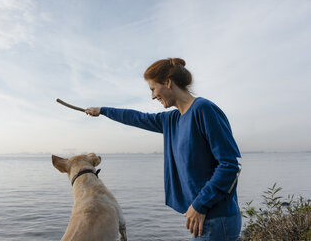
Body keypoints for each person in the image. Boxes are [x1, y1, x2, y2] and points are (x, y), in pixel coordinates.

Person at [85, 58, 242, 240]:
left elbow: (229, 165)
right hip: (205, 219)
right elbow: (137, 117)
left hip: (217, 219)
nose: (152, 96)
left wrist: (199, 205)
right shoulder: (172, 120)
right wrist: (103, 110)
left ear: (168, 82)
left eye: (153, 89)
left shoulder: (203, 109)